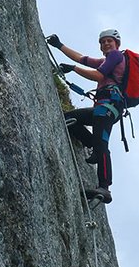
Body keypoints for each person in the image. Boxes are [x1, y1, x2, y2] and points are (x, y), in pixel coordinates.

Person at [46, 29, 126, 204]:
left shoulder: (115, 56)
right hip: (102, 109)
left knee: (102, 144)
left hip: (107, 108)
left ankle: (105, 188)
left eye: (109, 41)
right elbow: (82, 58)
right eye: (103, 42)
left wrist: (73, 69)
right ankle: (93, 145)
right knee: (69, 118)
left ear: (116, 44)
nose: (105, 44)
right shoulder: (108, 60)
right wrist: (60, 46)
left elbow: (97, 75)